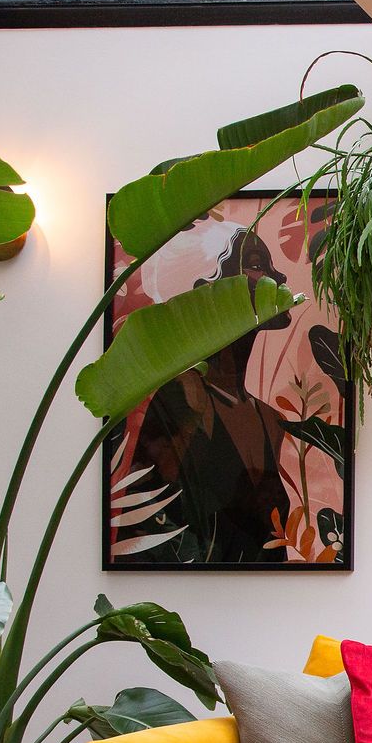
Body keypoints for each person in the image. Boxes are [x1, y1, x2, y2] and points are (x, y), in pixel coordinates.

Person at [120, 221, 298, 564]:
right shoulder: (182, 398)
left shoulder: (270, 421)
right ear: (210, 289)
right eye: (258, 264)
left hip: (268, 605)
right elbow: (144, 526)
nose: (281, 278)